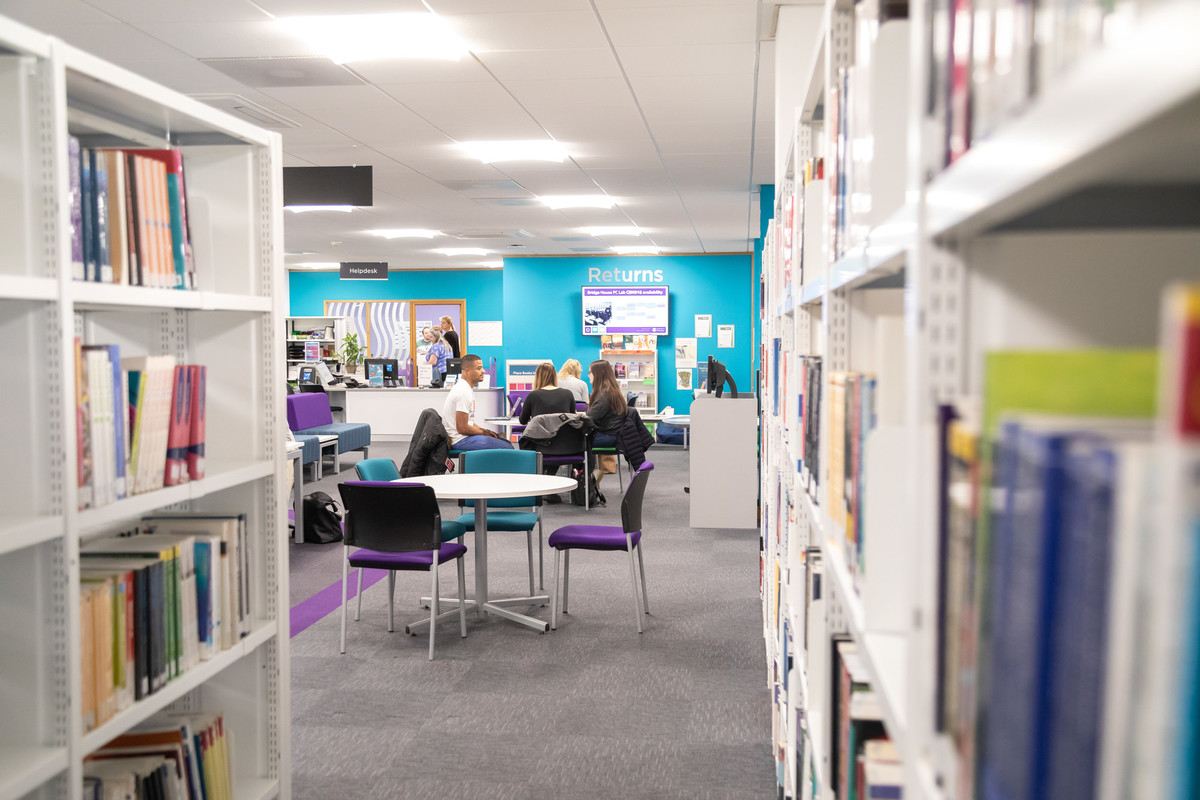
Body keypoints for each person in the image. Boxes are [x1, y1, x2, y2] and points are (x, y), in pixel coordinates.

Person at [441, 353, 512, 451]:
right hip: (460, 440)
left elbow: (469, 423)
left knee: (505, 442)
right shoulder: (463, 392)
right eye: (479, 368)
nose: (483, 371)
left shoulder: (466, 388)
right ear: (467, 371)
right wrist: (484, 433)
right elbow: (462, 428)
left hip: (463, 437)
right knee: (507, 447)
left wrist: (485, 431)